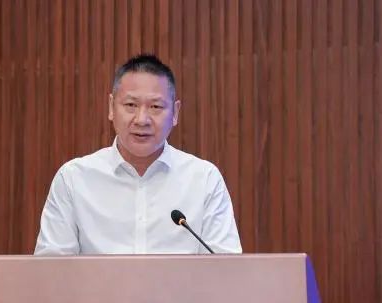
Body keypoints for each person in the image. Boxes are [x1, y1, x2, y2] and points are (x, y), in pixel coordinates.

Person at [34, 54, 241, 255]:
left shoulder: (204, 180)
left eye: (155, 106)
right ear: (111, 107)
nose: (142, 120)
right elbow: (49, 271)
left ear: (175, 112)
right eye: (131, 105)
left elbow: (226, 270)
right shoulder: (73, 180)